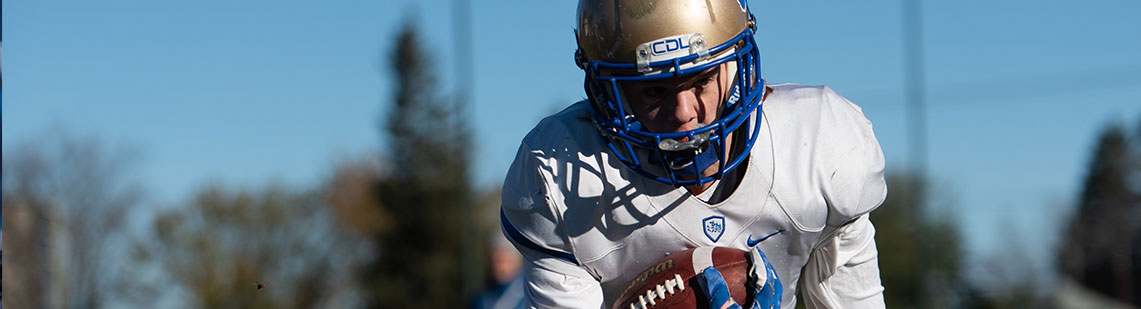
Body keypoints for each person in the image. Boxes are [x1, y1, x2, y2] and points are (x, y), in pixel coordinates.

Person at [499, 0, 888, 307]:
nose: (685, 113)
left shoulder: (818, 146)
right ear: (608, 93)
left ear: (736, 70)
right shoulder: (560, 174)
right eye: (654, 91)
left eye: (701, 81)